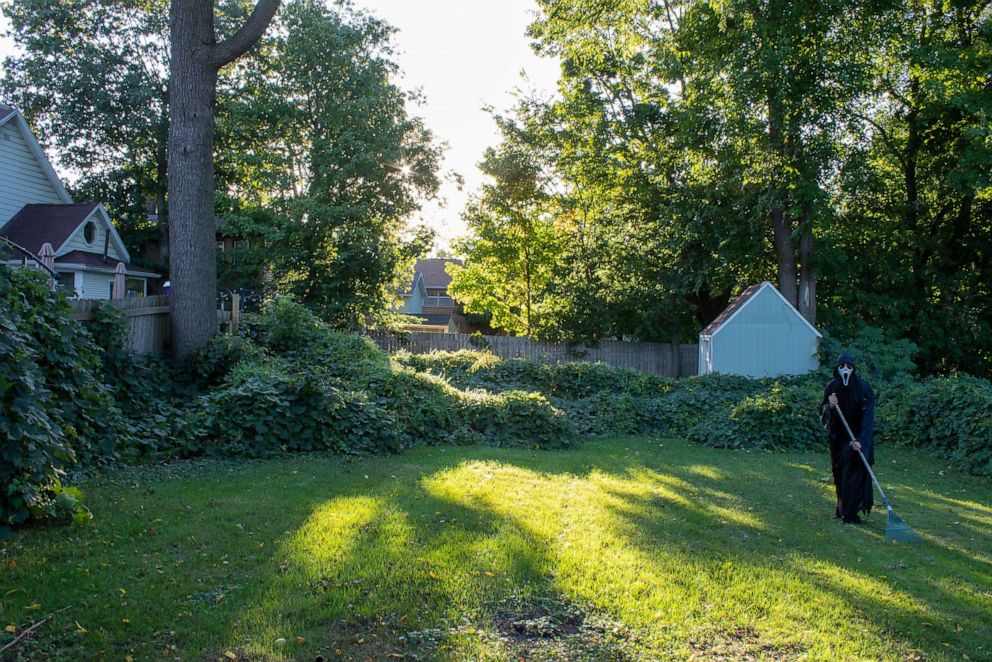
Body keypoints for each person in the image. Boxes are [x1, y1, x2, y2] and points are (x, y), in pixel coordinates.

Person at [820, 354, 875, 524]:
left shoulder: (863, 388)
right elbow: (822, 412)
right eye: (841, 366)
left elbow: (869, 416)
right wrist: (830, 406)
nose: (845, 370)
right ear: (836, 369)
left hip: (859, 438)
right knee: (840, 474)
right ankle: (842, 508)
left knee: (855, 476)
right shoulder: (831, 388)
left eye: (848, 367)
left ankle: (851, 514)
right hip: (839, 439)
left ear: (853, 369)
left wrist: (861, 440)